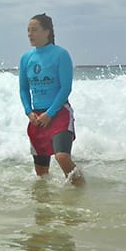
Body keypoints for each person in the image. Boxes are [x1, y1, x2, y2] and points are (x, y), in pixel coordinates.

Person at [19, 13, 82, 182]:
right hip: (37, 117)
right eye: (28, 31)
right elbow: (24, 89)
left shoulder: (61, 54)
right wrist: (29, 112)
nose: (30, 34)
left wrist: (50, 113)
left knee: (62, 157)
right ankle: (46, 205)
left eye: (34, 30)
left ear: (47, 32)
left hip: (59, 113)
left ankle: (82, 192)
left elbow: (65, 88)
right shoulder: (26, 58)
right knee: (41, 174)